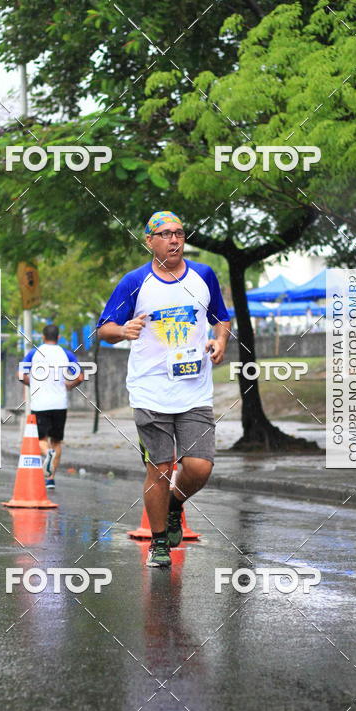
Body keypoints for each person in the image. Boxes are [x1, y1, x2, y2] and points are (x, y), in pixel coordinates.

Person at [97, 210, 231, 568]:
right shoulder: (134, 282)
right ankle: (159, 543)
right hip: (150, 391)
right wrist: (123, 331)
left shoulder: (203, 275)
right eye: (166, 234)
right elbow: (104, 328)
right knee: (160, 467)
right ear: (149, 241)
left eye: (180, 233)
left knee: (200, 467)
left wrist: (220, 342)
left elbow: (221, 317)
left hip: (194, 390)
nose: (174, 240)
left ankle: (174, 505)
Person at [22, 324, 84, 488]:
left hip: (39, 403)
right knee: (56, 441)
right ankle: (50, 479)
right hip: (60, 404)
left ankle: (47, 454)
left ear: (43, 337)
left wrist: (32, 383)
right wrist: (69, 385)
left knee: (41, 439)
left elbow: (21, 375)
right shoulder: (66, 354)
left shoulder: (34, 353)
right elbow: (80, 377)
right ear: (58, 338)